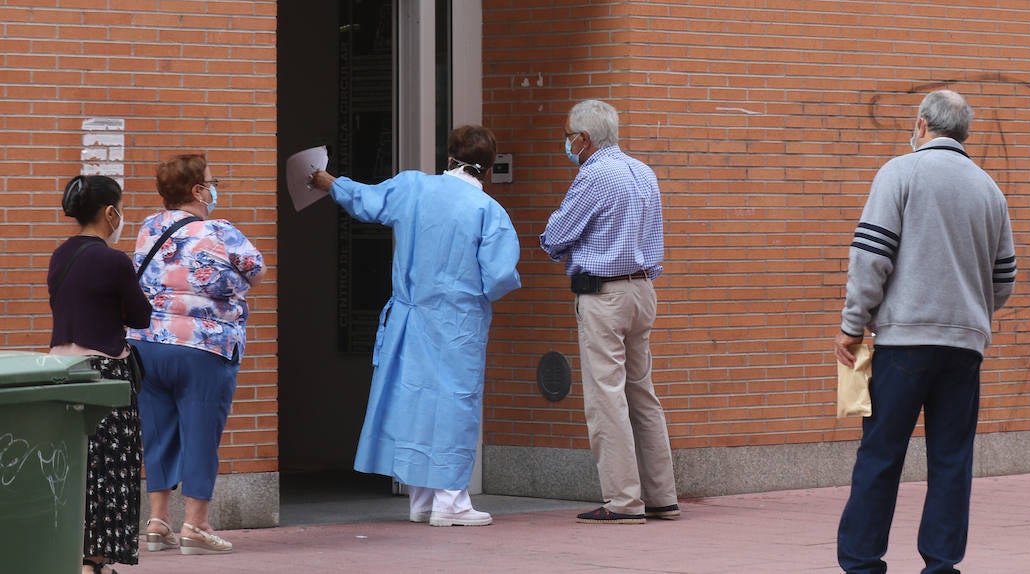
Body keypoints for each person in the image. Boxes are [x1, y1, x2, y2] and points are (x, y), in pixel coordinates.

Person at [835, 89, 1017, 574]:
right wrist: (971, 310)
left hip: (904, 340)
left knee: (881, 452)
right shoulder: (988, 189)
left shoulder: (900, 172)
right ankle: (941, 564)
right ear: (964, 133)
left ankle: (861, 561)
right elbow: (1004, 279)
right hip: (964, 346)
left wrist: (853, 325)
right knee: (952, 459)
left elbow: (871, 256)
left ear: (921, 125)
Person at [309, 125, 521, 527]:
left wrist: (328, 181)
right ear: (488, 169)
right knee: (455, 406)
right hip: (458, 322)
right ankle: (451, 502)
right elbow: (499, 276)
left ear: (449, 159)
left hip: (410, 317)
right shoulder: (487, 211)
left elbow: (366, 201)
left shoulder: (413, 188)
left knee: (416, 402)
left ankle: (421, 500)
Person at [540, 99, 680, 525]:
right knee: (642, 394)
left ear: (583, 139)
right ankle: (662, 497)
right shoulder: (643, 170)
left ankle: (622, 501)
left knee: (606, 397)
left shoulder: (595, 174)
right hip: (642, 290)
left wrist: (563, 243)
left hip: (605, 295)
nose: (567, 143)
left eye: (568, 136)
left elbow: (555, 235)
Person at [128, 155, 265, 556]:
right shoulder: (220, 231)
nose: (215, 186)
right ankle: (196, 526)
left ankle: (156, 522)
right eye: (211, 181)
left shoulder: (148, 228)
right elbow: (256, 272)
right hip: (203, 348)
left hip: (147, 344)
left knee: (157, 431)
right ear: (197, 190)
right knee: (201, 434)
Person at [49, 174, 153, 574]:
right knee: (112, 468)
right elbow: (141, 314)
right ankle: (95, 560)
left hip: (61, 369)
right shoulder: (113, 259)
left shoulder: (60, 254)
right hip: (105, 372)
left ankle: (74, 551)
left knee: (76, 464)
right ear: (111, 212)